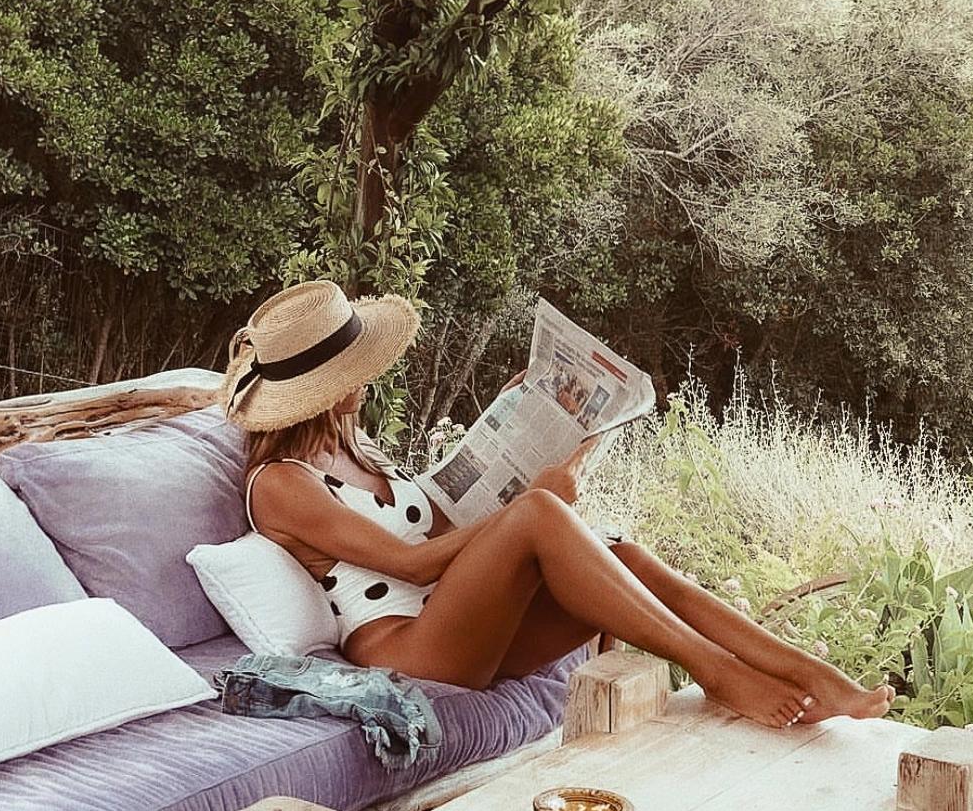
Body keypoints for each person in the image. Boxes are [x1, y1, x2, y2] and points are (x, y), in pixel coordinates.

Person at [223, 280, 893, 730]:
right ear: (316, 389)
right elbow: (415, 562)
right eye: (352, 370)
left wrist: (519, 416)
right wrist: (534, 499)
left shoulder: (358, 450)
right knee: (540, 515)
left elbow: (448, 514)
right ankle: (715, 670)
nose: (366, 377)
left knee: (620, 552)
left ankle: (808, 670)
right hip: (411, 647)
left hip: (463, 619)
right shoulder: (282, 483)